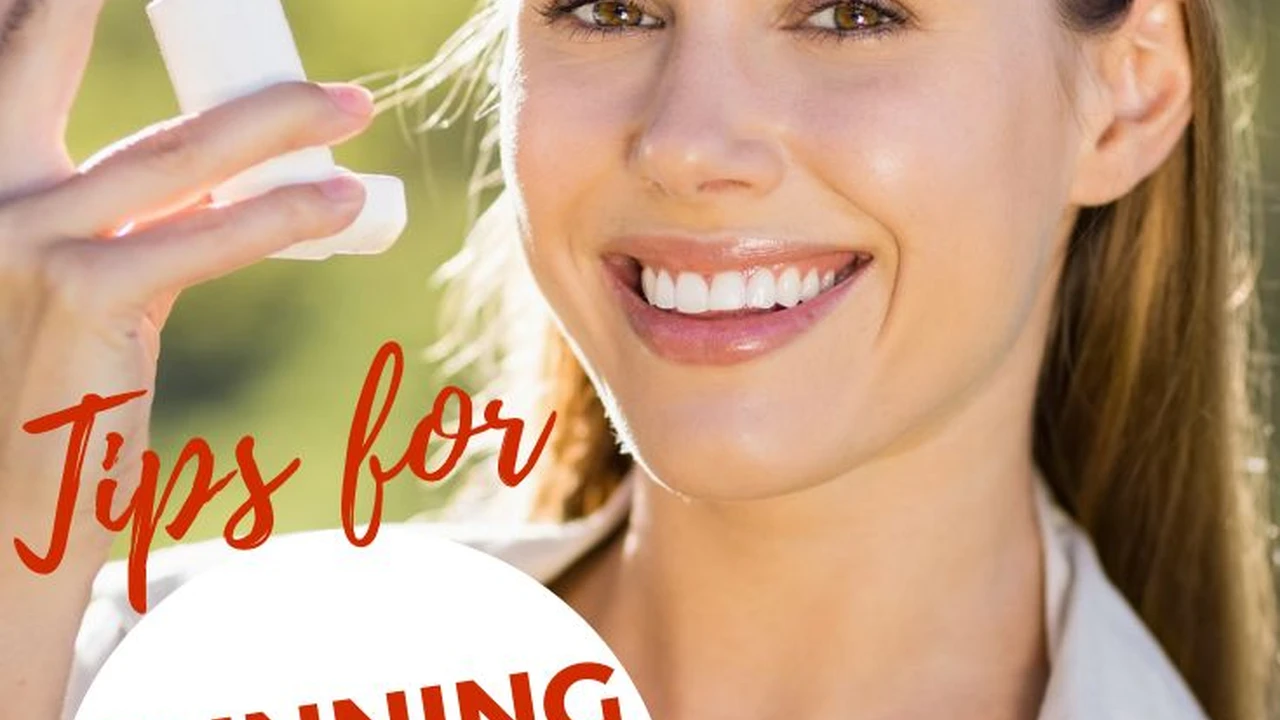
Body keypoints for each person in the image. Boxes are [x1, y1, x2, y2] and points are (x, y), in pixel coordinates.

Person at [0, 0, 1275, 718]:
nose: (683, 141)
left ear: (1128, 92)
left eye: (847, 12)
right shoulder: (143, 672)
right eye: (608, 8)